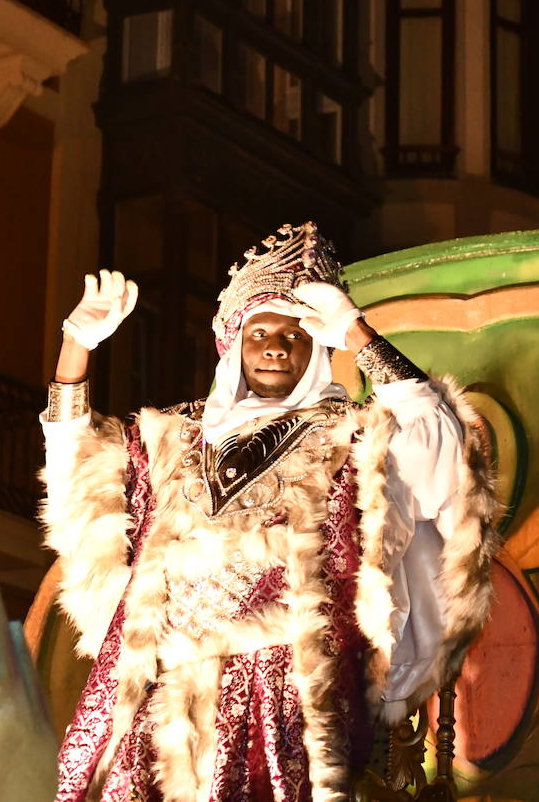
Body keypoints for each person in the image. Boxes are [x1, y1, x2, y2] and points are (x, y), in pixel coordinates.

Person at [40, 222, 498, 802]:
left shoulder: (354, 434)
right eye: (260, 331)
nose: (277, 345)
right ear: (233, 346)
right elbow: (78, 483)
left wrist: (358, 334)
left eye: (296, 333)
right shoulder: (172, 436)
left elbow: (443, 463)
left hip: (285, 689)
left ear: (318, 350)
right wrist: (75, 349)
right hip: (159, 685)